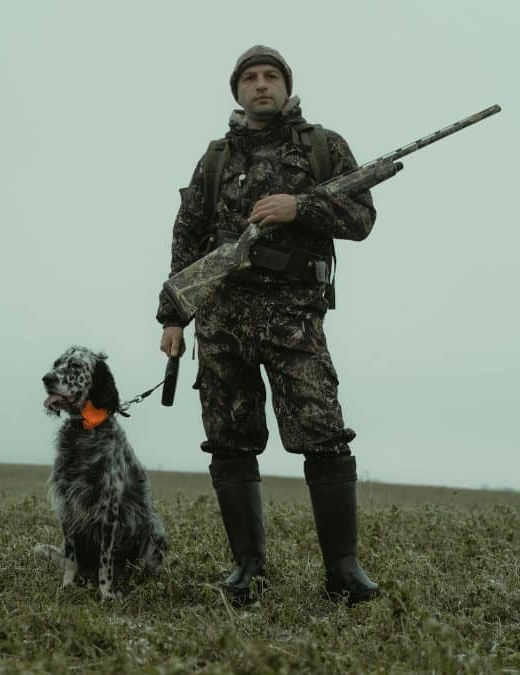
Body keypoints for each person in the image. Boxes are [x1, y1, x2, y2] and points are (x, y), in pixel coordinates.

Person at [156, 45, 379, 605]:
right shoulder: (214, 160)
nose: (261, 85)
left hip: (294, 318)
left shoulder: (323, 147)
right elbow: (187, 237)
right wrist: (173, 316)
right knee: (230, 439)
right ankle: (248, 569)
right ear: (238, 91)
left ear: (286, 85)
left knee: (323, 432)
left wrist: (300, 207)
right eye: (251, 78)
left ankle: (344, 572)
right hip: (223, 319)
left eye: (271, 76)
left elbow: (362, 218)